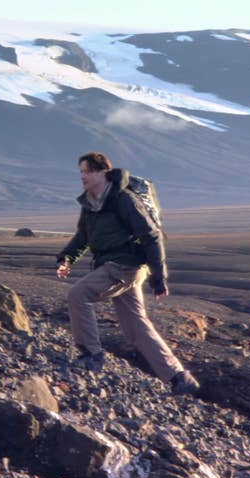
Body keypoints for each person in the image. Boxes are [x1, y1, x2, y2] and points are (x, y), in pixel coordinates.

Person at [56, 152, 199, 395]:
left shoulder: (124, 199)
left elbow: (151, 236)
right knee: (136, 325)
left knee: (78, 295)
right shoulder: (91, 202)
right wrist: (66, 258)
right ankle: (179, 377)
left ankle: (92, 355)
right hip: (113, 266)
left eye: (87, 171)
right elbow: (83, 236)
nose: (82, 176)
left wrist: (158, 278)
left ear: (103, 172)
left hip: (125, 266)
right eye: (81, 171)